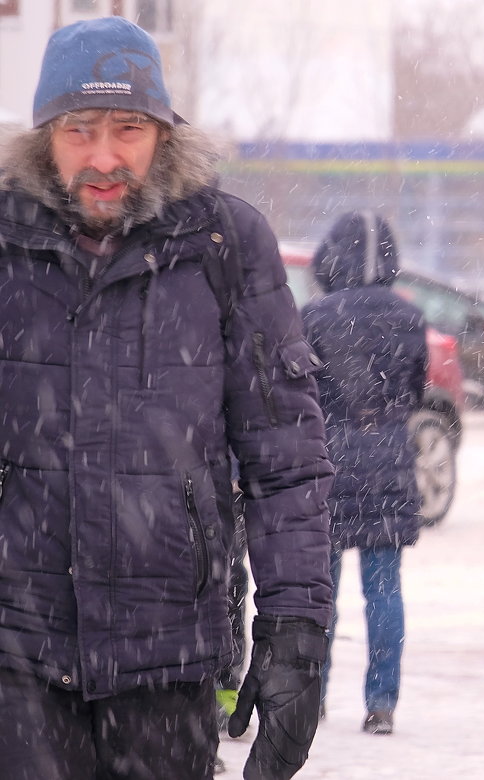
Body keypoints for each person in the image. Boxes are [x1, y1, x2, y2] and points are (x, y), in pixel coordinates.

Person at [0, 16, 333, 780]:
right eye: (79, 129)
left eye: (128, 127)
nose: (105, 156)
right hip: (16, 652)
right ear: (45, 134)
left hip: (168, 659)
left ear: (164, 131)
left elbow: (287, 457)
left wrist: (297, 627)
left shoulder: (223, 244)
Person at [301, 211, 428, 736]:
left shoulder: (313, 316)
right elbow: (416, 392)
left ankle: (314, 694)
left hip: (325, 464)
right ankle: (381, 701)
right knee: (383, 589)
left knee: (318, 591)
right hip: (389, 462)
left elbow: (299, 392)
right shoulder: (409, 316)